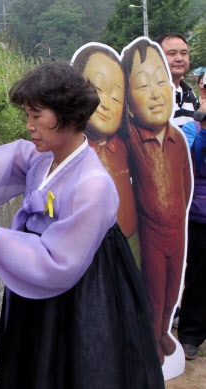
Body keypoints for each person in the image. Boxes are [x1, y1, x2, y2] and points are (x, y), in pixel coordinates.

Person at [0, 62, 164, 388]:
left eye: (37, 116)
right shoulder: (43, 157)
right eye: (27, 115)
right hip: (36, 270)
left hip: (83, 291)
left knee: (73, 368)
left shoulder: (94, 185)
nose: (29, 126)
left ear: (69, 115)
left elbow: (60, 261)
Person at [121, 39, 192, 364]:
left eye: (161, 82)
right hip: (150, 233)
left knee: (171, 289)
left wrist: (179, 216)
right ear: (129, 103)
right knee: (152, 288)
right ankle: (149, 339)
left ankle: (163, 331)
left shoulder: (178, 139)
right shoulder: (133, 136)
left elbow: (186, 184)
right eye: (143, 85)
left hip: (177, 233)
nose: (154, 93)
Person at [72, 45, 140, 265]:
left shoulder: (125, 146)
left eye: (117, 98)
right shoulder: (72, 148)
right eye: (97, 90)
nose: (105, 104)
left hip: (130, 237)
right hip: (88, 245)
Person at [177, 76, 206, 360]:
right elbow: (192, 160)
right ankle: (191, 335)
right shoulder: (190, 128)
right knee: (198, 276)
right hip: (200, 214)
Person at [155, 32, 200, 129]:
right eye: (172, 53)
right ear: (157, 57)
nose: (179, 58)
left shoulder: (190, 95)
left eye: (184, 53)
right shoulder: (152, 97)